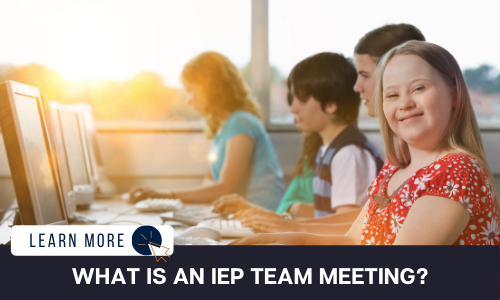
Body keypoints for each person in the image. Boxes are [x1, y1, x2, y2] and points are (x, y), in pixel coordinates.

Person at [231, 41, 500, 245]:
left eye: (419, 88)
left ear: (454, 93)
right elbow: (353, 241)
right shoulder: (395, 169)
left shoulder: (458, 170)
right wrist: (289, 239)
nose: (404, 103)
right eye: (392, 94)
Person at [215, 24, 426, 234]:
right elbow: (359, 222)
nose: (357, 87)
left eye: (365, 75)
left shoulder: (351, 152)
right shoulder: (394, 156)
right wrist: (282, 221)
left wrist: (290, 226)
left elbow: (352, 229)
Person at [128, 51, 284, 210]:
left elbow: (225, 189)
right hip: (238, 215)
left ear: (210, 88)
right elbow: (209, 182)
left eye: (191, 90)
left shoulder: (241, 123)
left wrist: (163, 195)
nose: (188, 100)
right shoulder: (221, 129)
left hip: (260, 216)